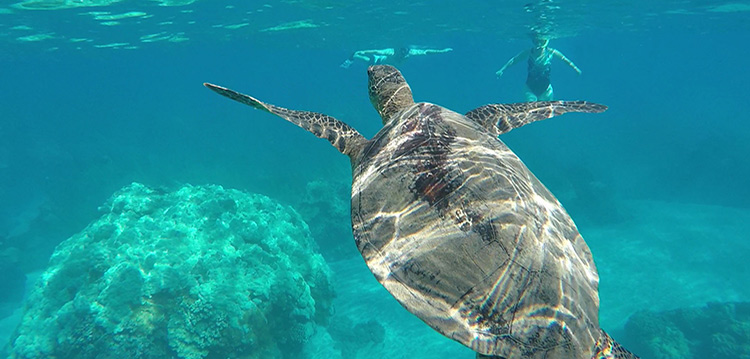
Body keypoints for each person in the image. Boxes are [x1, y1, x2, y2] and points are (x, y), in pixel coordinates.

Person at [495, 37, 581, 101]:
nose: (539, 44)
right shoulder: (529, 52)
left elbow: (565, 60)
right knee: (531, 108)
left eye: (542, 41)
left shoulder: (551, 52)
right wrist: (502, 69)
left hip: (546, 89)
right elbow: (515, 60)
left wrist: (575, 68)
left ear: (547, 41)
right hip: (530, 88)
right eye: (536, 41)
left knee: (547, 112)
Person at [340, 46, 452, 69]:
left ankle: (354, 56)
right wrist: (364, 50)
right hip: (376, 61)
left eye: (405, 54)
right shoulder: (391, 52)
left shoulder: (411, 53)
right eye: (401, 54)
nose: (403, 55)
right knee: (363, 59)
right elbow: (376, 50)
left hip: (387, 67)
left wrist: (441, 51)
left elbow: (426, 52)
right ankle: (352, 57)